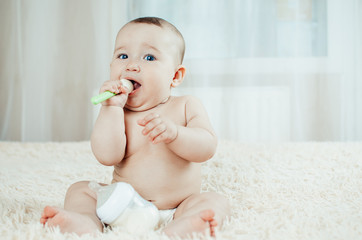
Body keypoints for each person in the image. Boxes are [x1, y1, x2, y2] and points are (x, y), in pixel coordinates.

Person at [40, 16, 230, 238]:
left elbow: (206, 148)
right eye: (122, 55)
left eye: (149, 57)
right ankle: (85, 222)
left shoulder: (186, 105)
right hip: (122, 206)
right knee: (80, 189)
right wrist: (110, 109)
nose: (131, 64)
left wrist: (176, 134)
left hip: (177, 207)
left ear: (175, 76)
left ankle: (185, 225)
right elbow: (106, 156)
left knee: (214, 200)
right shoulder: (117, 111)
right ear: (111, 66)